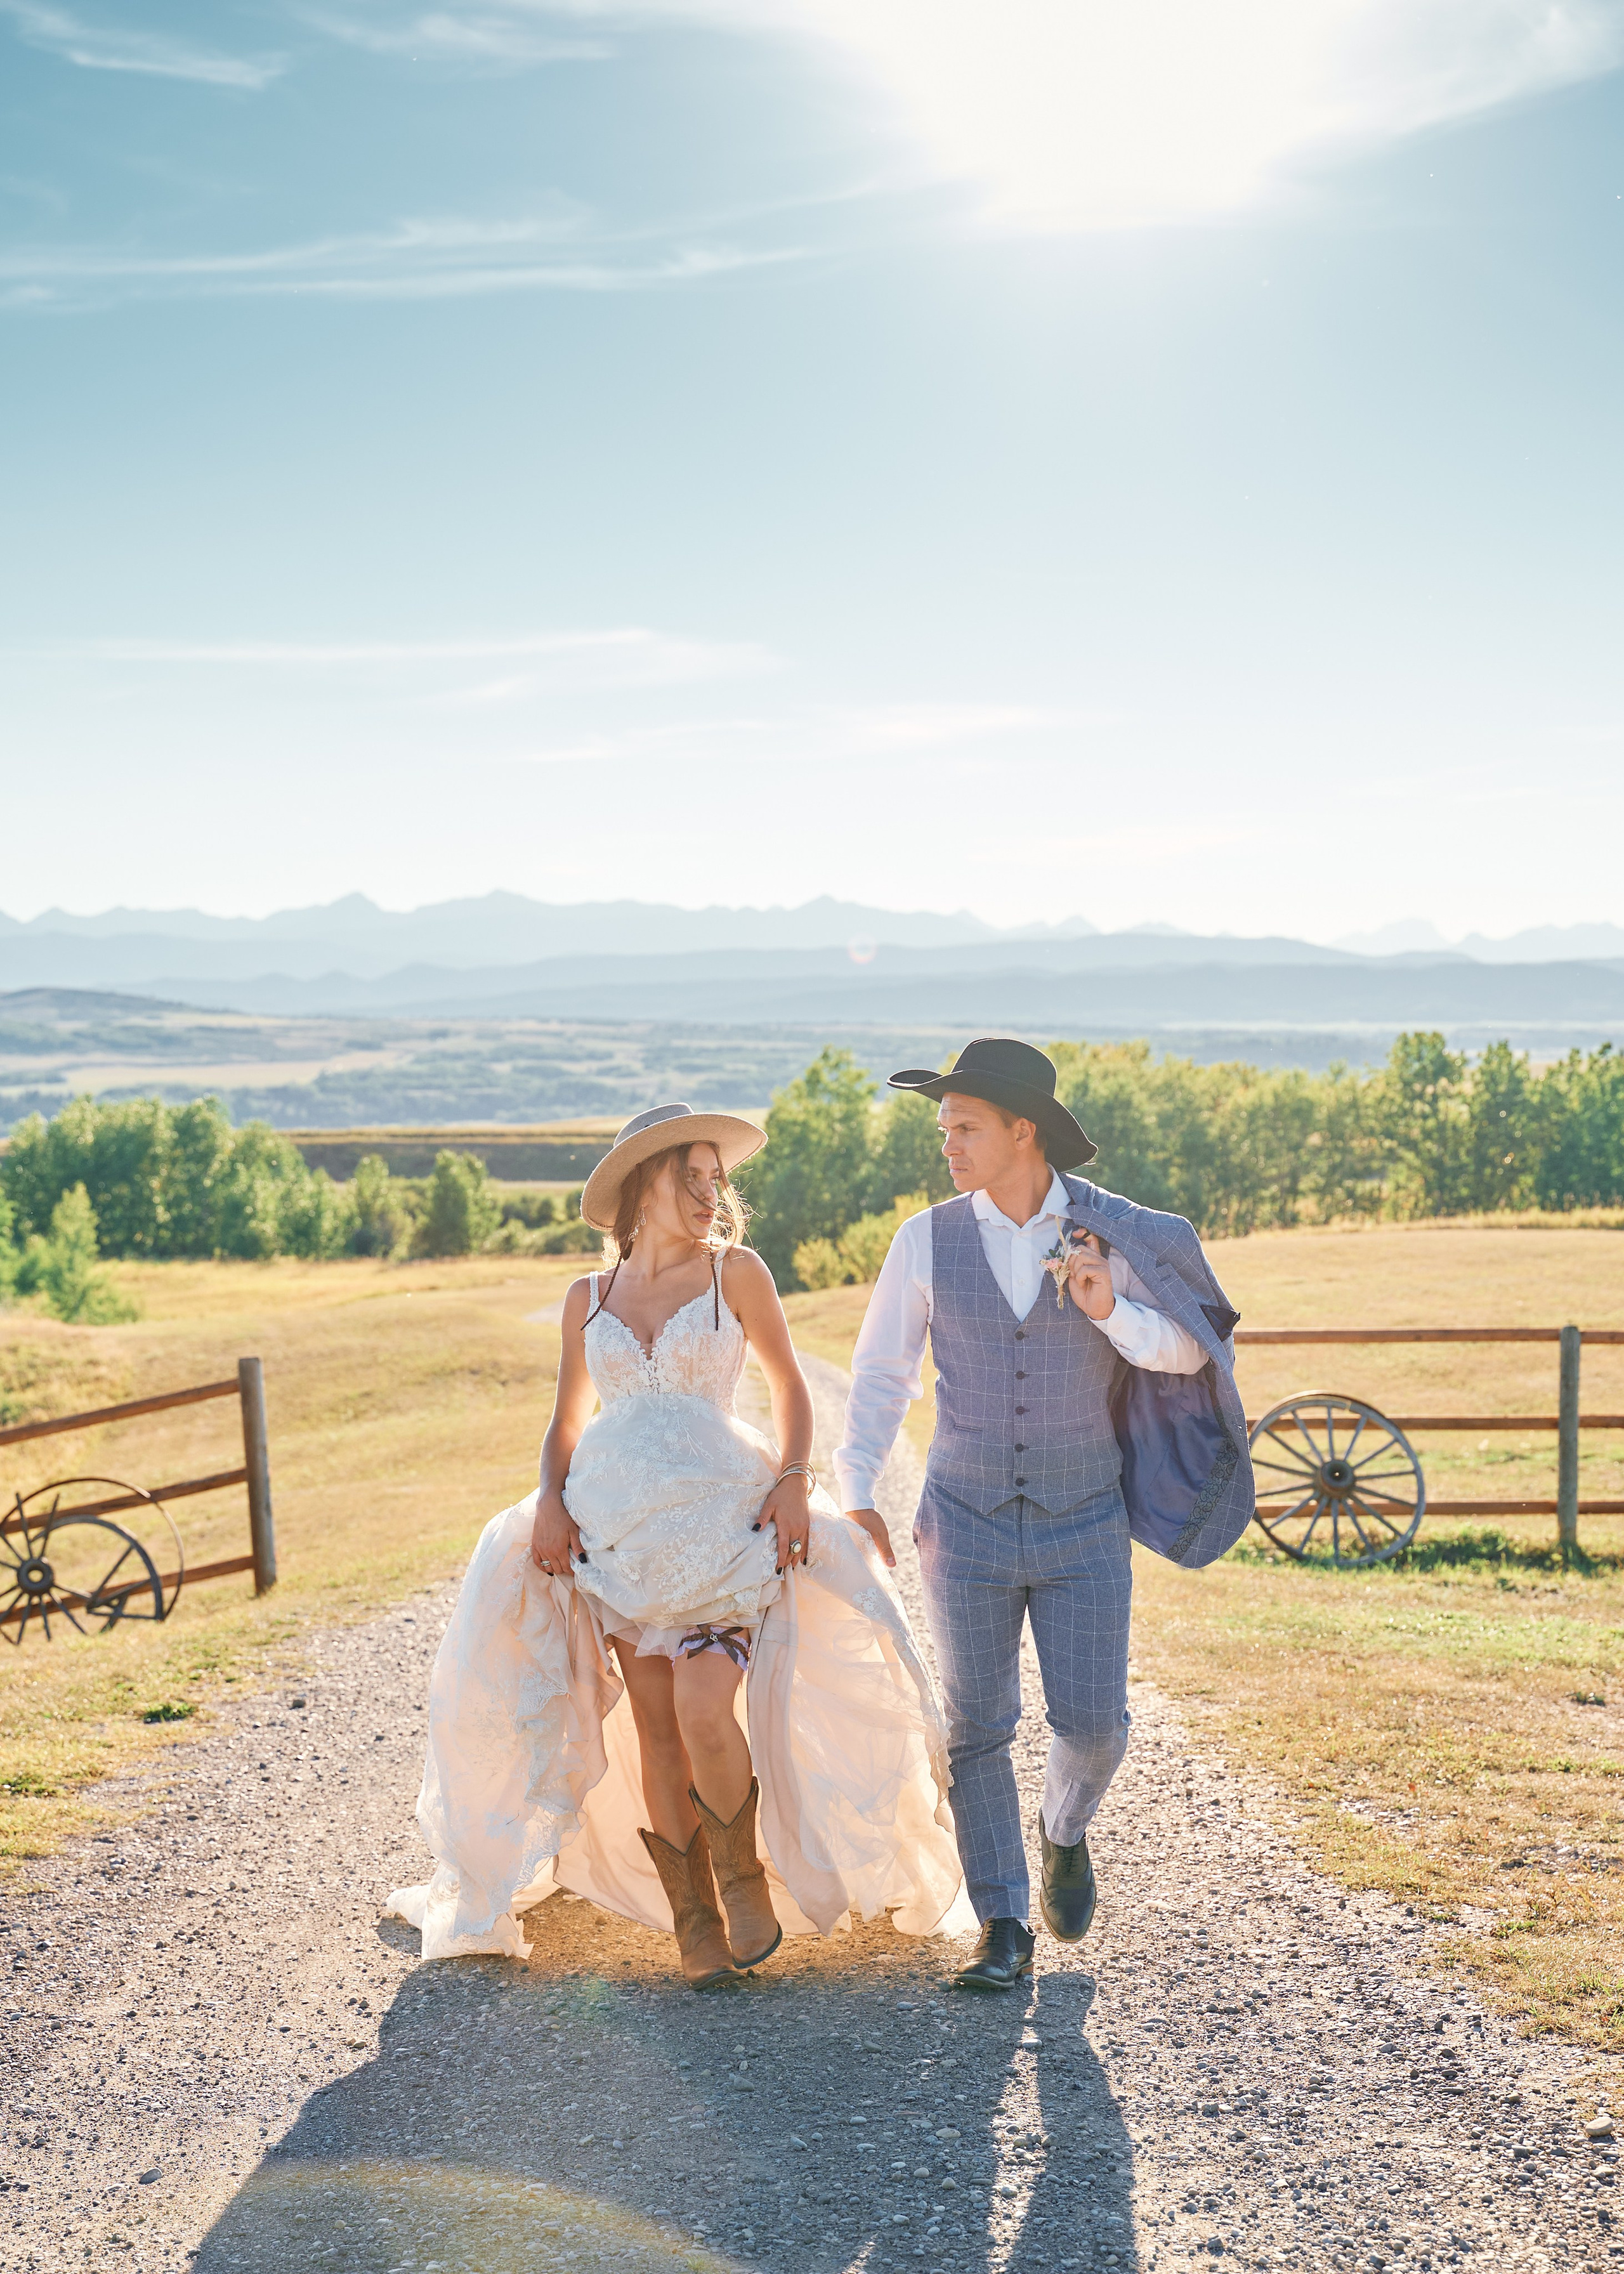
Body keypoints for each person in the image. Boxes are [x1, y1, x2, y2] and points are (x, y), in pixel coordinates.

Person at [388, 1103, 963, 1989]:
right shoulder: (591, 1297)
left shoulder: (738, 1275)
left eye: (716, 1177)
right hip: (620, 1541)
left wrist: (793, 1475)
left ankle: (741, 1882)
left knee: (704, 1703)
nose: (710, 1192)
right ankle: (693, 1914)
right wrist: (550, 1499)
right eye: (690, 1176)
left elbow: (791, 1387)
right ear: (643, 1185)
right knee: (654, 1724)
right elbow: (565, 1423)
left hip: (721, 1532)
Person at [835, 1038, 1255, 1993]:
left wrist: (1108, 1308)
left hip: (1084, 1518)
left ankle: (1063, 1829)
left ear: (1023, 1130)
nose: (948, 1144)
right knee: (976, 1725)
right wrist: (857, 1487)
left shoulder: (1115, 1232)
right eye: (943, 1128)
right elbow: (880, 1376)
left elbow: (1192, 1354)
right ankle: (1004, 1923)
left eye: (965, 1126)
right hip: (967, 1516)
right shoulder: (925, 1238)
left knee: (1097, 1725)